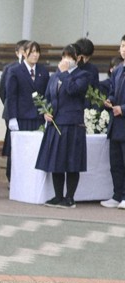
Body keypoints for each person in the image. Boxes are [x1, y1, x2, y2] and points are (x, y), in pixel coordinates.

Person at [35, 45, 93, 208]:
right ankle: (58, 195)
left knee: (72, 161)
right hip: (55, 122)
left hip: (73, 123)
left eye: (70, 57)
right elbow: (47, 96)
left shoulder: (83, 75)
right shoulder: (55, 76)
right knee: (56, 160)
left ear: (77, 59)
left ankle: (70, 197)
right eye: (64, 56)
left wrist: (65, 73)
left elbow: (74, 90)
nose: (66, 60)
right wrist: (45, 112)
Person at [3, 41, 50, 182]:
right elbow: (10, 95)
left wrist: (46, 111)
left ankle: (31, 180)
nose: (35, 55)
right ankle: (14, 180)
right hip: (21, 116)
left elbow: (46, 94)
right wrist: (12, 117)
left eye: (37, 52)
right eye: (32, 51)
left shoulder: (43, 71)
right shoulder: (15, 70)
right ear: (24, 53)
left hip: (38, 117)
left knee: (35, 150)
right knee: (18, 151)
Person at [0, 40, 33, 181]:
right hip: (14, 112)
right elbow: (3, 91)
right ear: (18, 53)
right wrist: (10, 109)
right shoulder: (10, 68)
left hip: (30, 113)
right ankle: (11, 177)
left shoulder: (36, 70)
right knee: (14, 147)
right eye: (22, 51)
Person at [101, 35, 125, 209]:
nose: (123, 49)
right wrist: (109, 101)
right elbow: (112, 90)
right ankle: (117, 195)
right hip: (115, 124)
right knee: (115, 162)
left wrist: (122, 109)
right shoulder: (117, 70)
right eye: (122, 46)